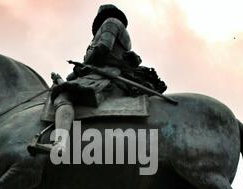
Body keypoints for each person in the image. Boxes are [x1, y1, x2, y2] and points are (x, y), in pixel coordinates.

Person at [41, 4, 166, 154]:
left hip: (106, 77)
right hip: (102, 74)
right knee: (66, 84)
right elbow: (94, 61)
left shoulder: (111, 22)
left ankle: (60, 144)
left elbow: (104, 47)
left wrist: (85, 65)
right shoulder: (115, 28)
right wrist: (73, 74)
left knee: (63, 95)